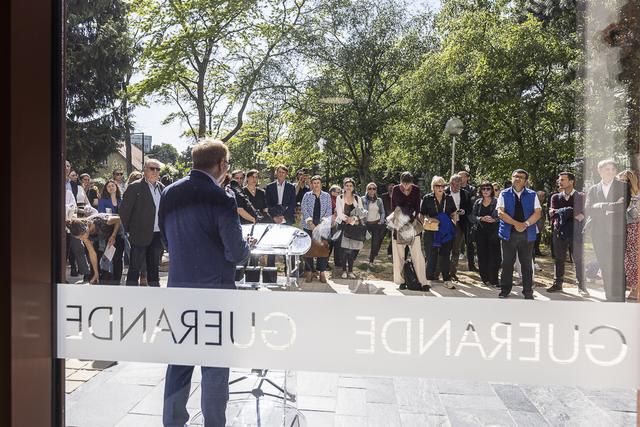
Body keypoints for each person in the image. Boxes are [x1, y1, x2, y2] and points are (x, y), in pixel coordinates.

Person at [159, 138, 250, 427]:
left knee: (179, 362)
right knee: (214, 366)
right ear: (222, 165)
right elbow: (236, 254)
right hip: (216, 294)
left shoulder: (170, 193)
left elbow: (166, 239)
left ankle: (173, 422)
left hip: (179, 289)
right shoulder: (222, 198)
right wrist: (246, 246)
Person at [585, 158, 628, 302]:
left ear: (615, 171)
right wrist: (610, 206)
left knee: (617, 266)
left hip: (617, 233)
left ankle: (619, 299)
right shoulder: (593, 189)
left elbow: (622, 207)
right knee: (604, 266)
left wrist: (601, 207)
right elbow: (589, 209)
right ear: (600, 171)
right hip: (598, 234)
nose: (609, 172)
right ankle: (609, 297)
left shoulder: (623, 186)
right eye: (606, 169)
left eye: (612, 169)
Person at [119, 158, 165, 287]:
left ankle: (154, 292)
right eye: (152, 168)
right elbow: (124, 211)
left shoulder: (162, 188)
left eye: (158, 169)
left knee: (154, 266)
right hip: (139, 234)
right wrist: (130, 230)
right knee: (134, 266)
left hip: (157, 234)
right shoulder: (135, 187)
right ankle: (131, 293)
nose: (155, 171)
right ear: (145, 170)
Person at [497, 169, 542, 300]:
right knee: (507, 263)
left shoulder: (532, 195)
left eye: (521, 177)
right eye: (515, 176)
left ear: (525, 181)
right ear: (511, 178)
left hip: (527, 235)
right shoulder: (504, 194)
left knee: (527, 265)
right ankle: (505, 290)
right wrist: (516, 223)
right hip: (508, 234)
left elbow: (537, 213)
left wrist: (525, 224)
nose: (517, 179)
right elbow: (500, 212)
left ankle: (528, 292)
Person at [547, 172, 587, 295]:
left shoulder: (581, 196)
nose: (560, 182)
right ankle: (557, 284)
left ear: (571, 181)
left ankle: (581, 286)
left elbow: (582, 214)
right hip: (559, 231)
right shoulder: (555, 197)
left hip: (576, 232)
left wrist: (561, 211)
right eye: (559, 180)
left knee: (578, 260)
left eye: (563, 180)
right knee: (559, 259)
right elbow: (551, 213)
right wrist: (570, 211)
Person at [389, 172, 428, 288]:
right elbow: (394, 207)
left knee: (417, 254)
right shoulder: (395, 189)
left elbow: (417, 208)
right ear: (400, 182)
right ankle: (401, 281)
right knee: (399, 254)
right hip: (399, 224)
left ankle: (423, 282)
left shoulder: (416, 189)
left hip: (413, 224)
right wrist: (404, 215)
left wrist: (410, 217)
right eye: (404, 184)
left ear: (412, 182)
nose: (406, 187)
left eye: (408, 184)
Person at [420, 176, 457, 290]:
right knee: (431, 256)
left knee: (445, 256)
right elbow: (422, 214)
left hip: (446, 232)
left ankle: (447, 279)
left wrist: (453, 225)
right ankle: (428, 279)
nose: (440, 188)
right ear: (433, 187)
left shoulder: (449, 198)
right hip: (431, 231)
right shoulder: (427, 198)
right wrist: (426, 222)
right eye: (437, 185)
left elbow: (454, 213)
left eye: (442, 185)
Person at [67, 213, 123, 285]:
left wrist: (113, 236)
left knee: (117, 257)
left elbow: (118, 219)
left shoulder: (104, 220)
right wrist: (96, 273)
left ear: (86, 229)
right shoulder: (84, 235)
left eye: (82, 237)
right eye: (79, 238)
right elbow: (92, 254)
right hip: (103, 236)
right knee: (99, 255)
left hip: (116, 230)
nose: (82, 239)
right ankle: (97, 276)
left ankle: (116, 281)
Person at [301, 175, 332, 283]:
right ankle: (309, 272)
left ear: (321, 184)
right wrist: (311, 224)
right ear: (311, 184)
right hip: (308, 226)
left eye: (318, 183)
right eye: (314, 183)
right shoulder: (307, 195)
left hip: (322, 227)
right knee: (308, 249)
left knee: (322, 249)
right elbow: (304, 210)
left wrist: (320, 225)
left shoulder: (326, 196)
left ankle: (322, 272)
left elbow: (328, 211)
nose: (316, 185)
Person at [469, 182, 500, 287]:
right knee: (482, 256)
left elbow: (503, 216)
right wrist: (481, 218)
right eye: (483, 189)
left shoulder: (497, 202)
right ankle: (485, 279)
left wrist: (494, 219)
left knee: (494, 257)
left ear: (491, 190)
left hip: (493, 232)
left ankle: (494, 280)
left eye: (488, 189)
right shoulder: (478, 202)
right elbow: (472, 217)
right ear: (481, 191)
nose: (486, 191)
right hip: (480, 232)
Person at [335, 178, 367, 278]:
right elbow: (339, 213)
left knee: (353, 249)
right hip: (342, 225)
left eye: (350, 186)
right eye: (347, 185)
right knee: (344, 249)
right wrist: (347, 219)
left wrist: (353, 219)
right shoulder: (339, 198)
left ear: (353, 187)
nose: (348, 187)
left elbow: (361, 212)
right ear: (344, 186)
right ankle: (344, 270)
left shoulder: (357, 198)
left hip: (355, 226)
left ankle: (351, 270)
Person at [618, 169, 640, 300]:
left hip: (633, 229)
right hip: (622, 229)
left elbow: (635, 215)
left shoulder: (636, 198)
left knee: (632, 259)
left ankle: (635, 288)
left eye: (623, 181)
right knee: (626, 260)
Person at [446, 175, 471, 281]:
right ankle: (441, 272)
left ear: (461, 184)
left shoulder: (465, 194)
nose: (455, 187)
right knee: (444, 249)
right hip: (446, 224)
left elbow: (469, 208)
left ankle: (452, 273)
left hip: (459, 224)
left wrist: (463, 211)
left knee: (456, 250)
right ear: (450, 183)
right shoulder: (444, 192)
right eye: (453, 184)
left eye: (458, 185)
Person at [363, 183, 386, 267]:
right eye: (370, 188)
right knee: (360, 241)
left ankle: (371, 261)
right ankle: (352, 259)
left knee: (375, 243)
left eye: (374, 188)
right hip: (366, 224)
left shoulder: (379, 200)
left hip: (376, 224)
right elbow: (360, 212)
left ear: (376, 190)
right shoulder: (363, 199)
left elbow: (382, 212)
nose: (372, 190)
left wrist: (381, 221)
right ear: (367, 189)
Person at [458, 170, 477, 271]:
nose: (460, 178)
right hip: (456, 219)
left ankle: (471, 265)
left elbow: (472, 204)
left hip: (468, 219)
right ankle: (453, 266)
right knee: (454, 243)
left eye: (462, 176)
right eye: (458, 176)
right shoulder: (455, 188)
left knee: (469, 243)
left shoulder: (472, 189)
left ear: (467, 178)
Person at [380, 182, 395, 258]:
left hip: (394, 219)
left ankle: (390, 252)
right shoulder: (383, 196)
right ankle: (375, 251)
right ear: (387, 187)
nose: (391, 187)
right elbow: (381, 208)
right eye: (390, 185)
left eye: (393, 185)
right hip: (385, 219)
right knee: (381, 236)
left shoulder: (397, 196)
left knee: (393, 236)